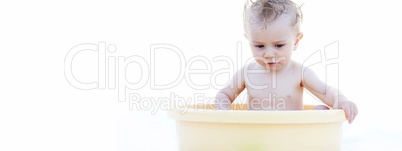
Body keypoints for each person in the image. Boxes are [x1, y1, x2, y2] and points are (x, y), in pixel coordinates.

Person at [214, 0, 358, 123]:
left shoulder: (299, 73)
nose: (269, 54)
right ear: (248, 40)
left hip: (292, 134)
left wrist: (342, 101)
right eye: (259, 46)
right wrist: (224, 111)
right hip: (257, 133)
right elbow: (224, 94)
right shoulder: (247, 73)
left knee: (321, 111)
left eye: (279, 45)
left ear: (296, 42)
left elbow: (326, 92)